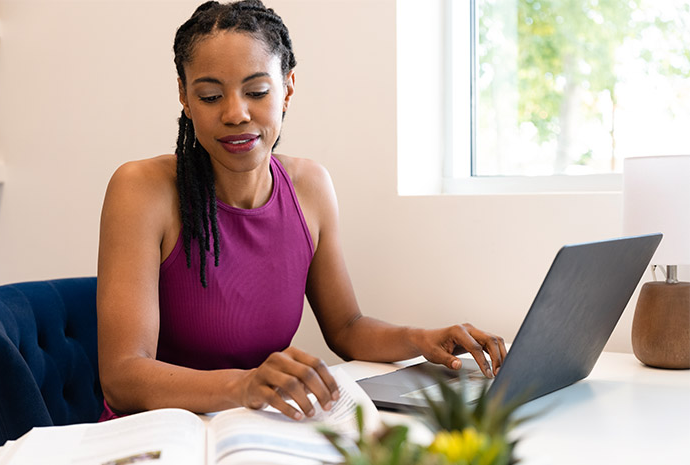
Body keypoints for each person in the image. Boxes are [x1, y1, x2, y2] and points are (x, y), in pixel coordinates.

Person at [97, 0, 507, 422]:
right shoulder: (141, 190)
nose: (235, 113)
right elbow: (122, 377)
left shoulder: (309, 187)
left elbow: (347, 328)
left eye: (257, 91)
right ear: (184, 96)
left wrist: (423, 339)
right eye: (210, 95)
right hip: (158, 436)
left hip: (255, 428)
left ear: (288, 88)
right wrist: (244, 385)